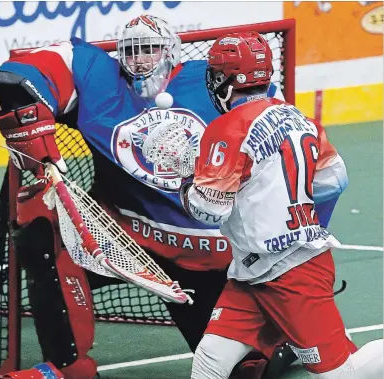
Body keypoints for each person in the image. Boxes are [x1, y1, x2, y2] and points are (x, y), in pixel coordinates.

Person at [0, 15, 332, 379]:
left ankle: (280, 337)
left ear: (170, 50)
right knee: (40, 223)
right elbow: (18, 73)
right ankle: (67, 367)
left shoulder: (216, 84)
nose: (140, 60)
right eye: (132, 51)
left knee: (242, 371)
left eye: (150, 49)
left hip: (208, 258)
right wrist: (30, 122)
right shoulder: (100, 78)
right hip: (119, 241)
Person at [162, 31, 383, 379]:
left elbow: (210, 210)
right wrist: (299, 220)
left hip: (291, 273)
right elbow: (333, 180)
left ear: (224, 79)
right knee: (210, 359)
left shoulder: (227, 128)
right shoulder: (296, 116)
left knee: (342, 373)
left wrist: (186, 182)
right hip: (256, 272)